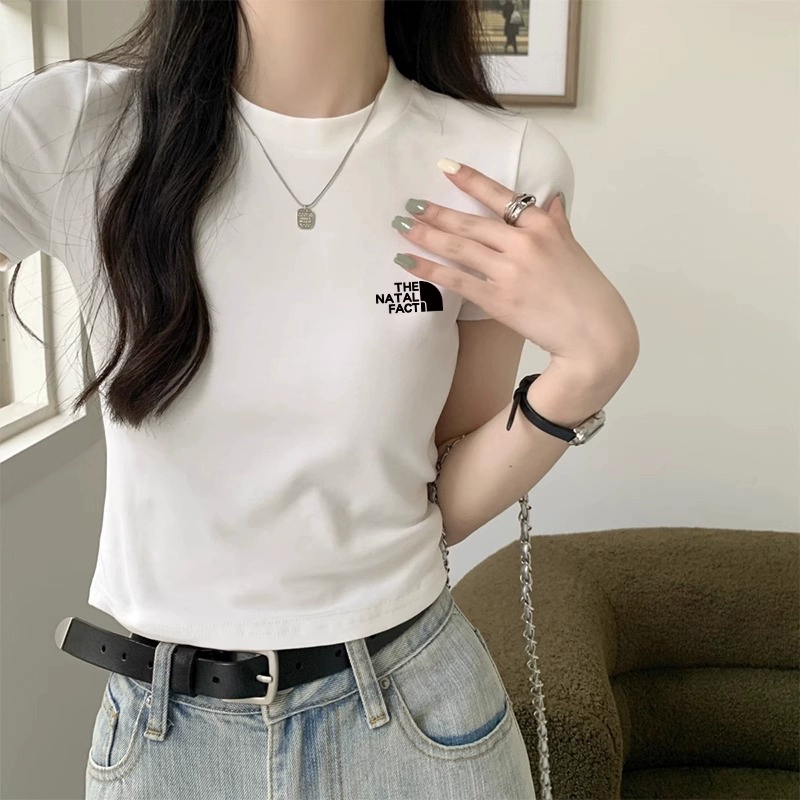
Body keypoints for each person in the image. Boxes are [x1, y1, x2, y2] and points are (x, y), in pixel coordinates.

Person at [0, 0, 639, 798]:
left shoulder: (495, 164)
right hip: (166, 748)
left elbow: (441, 489)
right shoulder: (73, 129)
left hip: (416, 723)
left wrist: (590, 370)